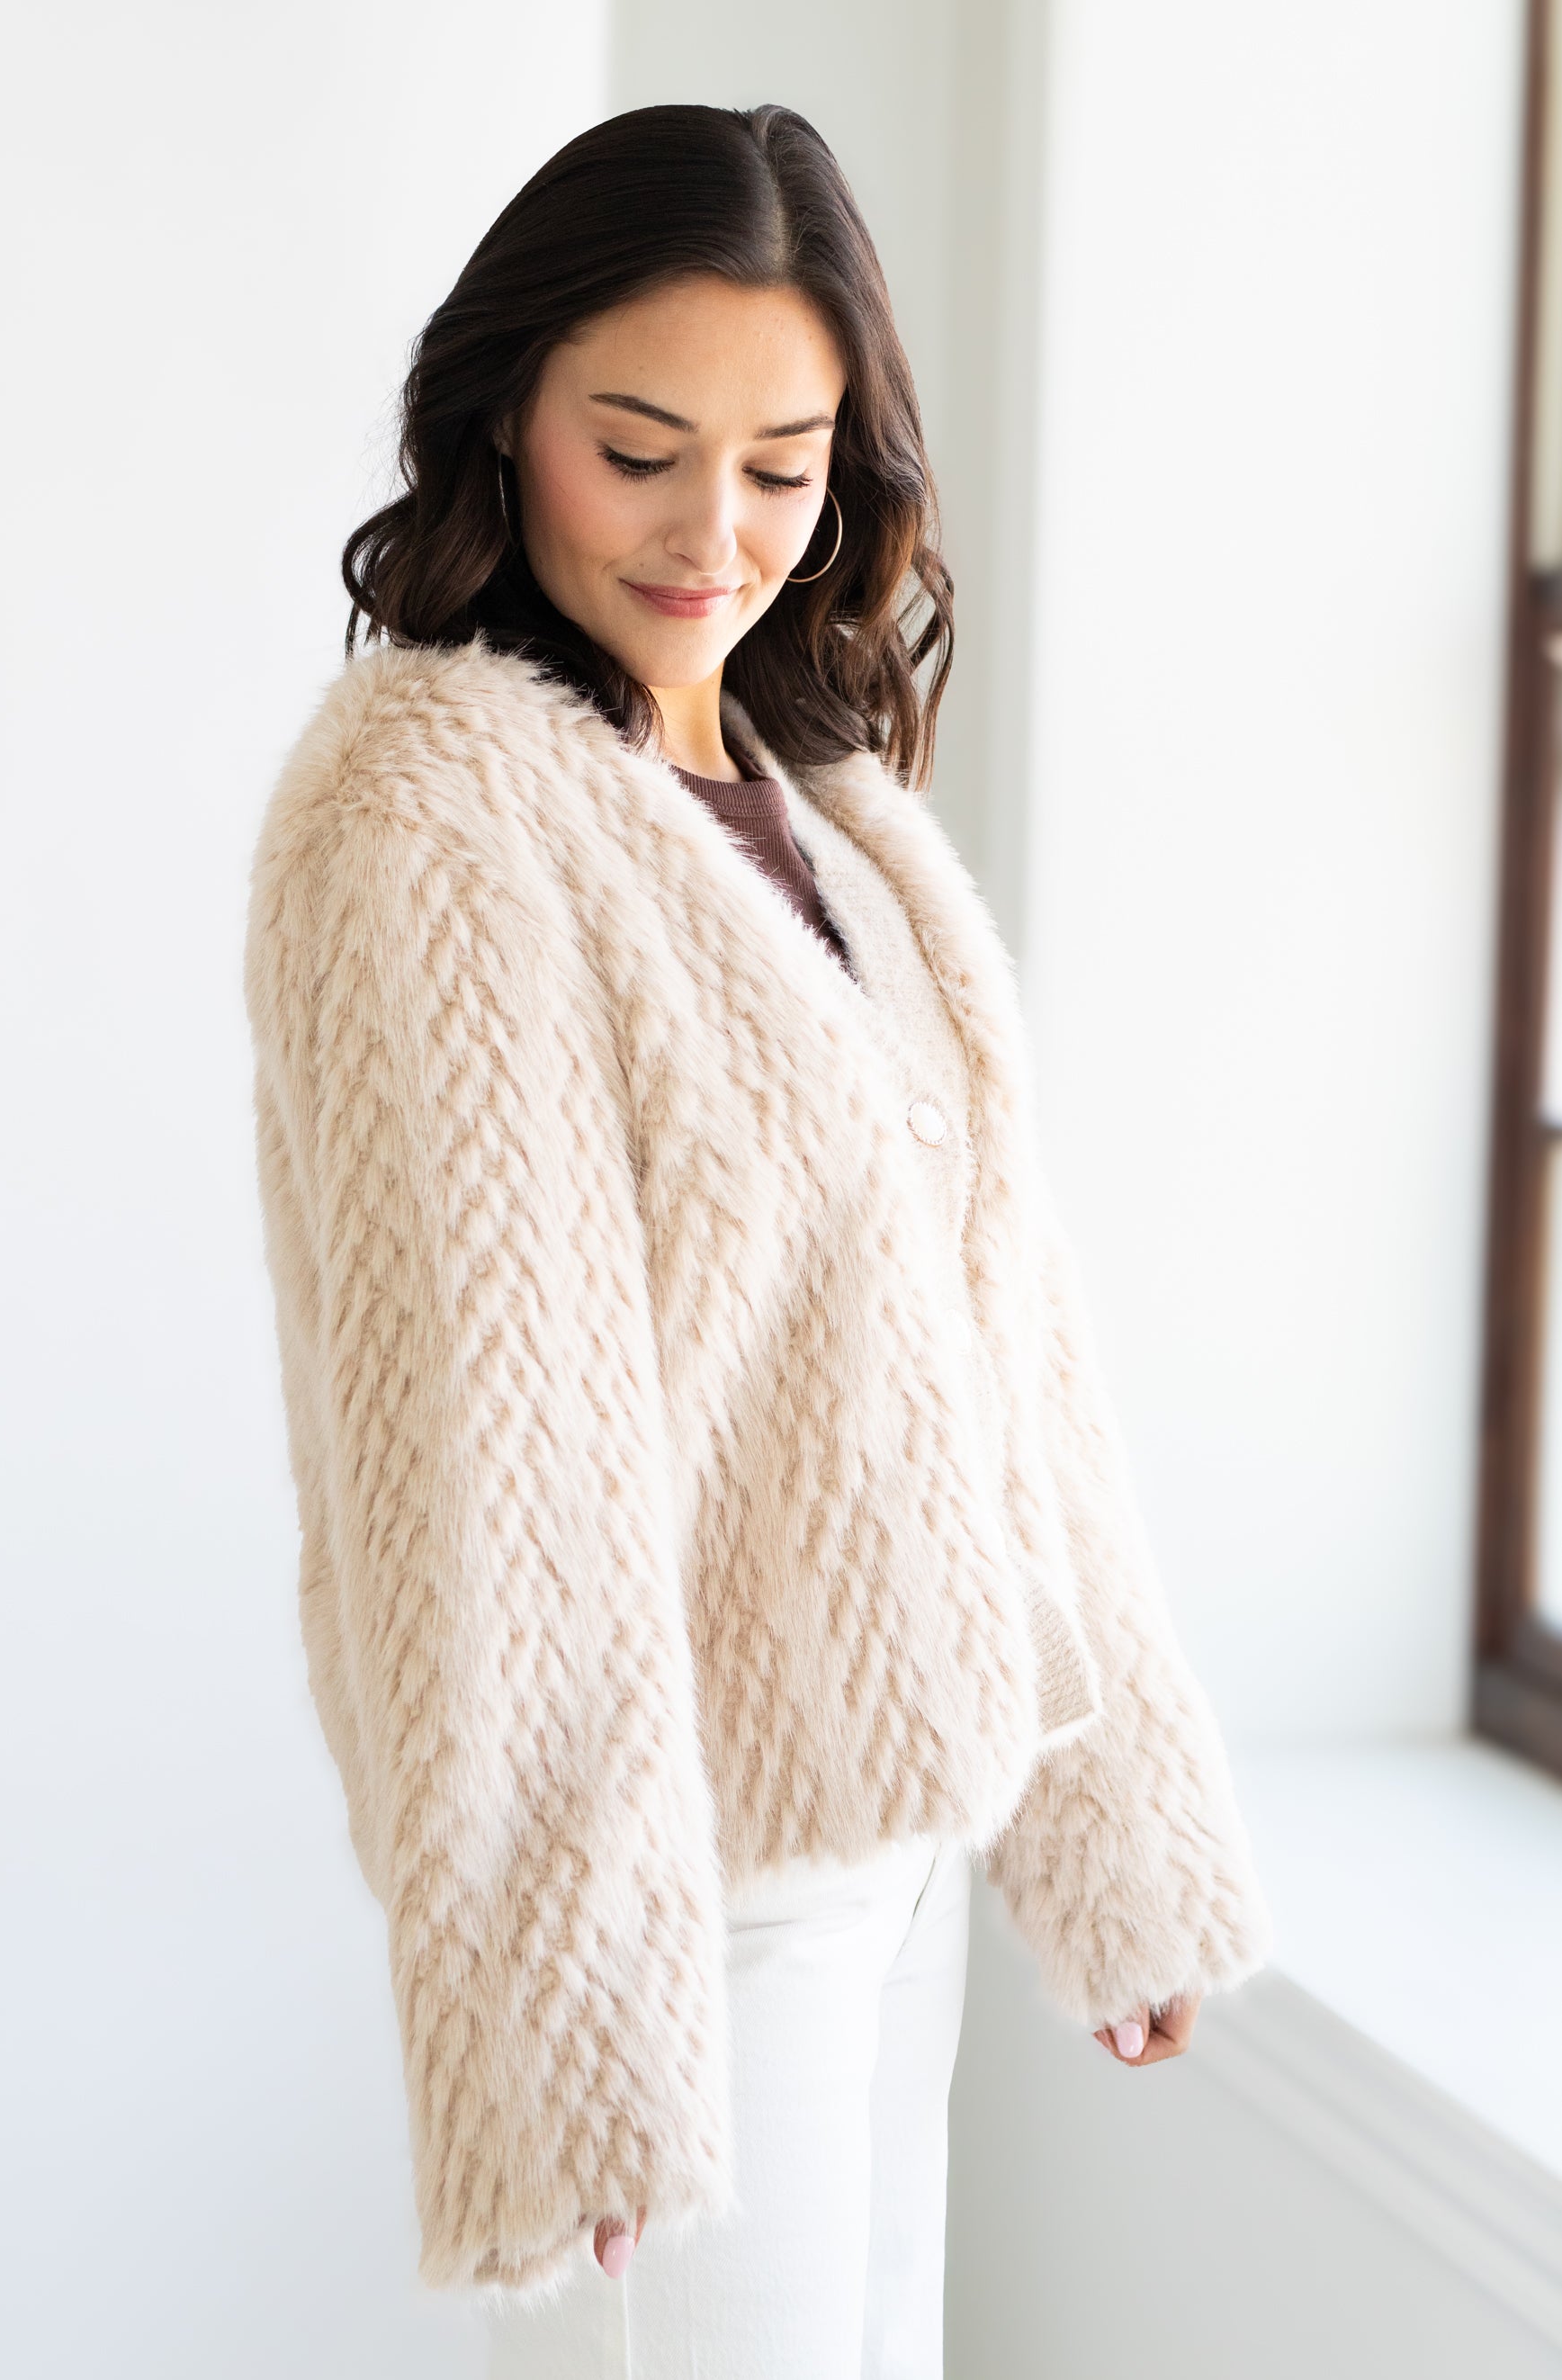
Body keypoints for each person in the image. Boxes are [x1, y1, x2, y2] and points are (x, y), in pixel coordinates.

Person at [243, 100, 1272, 2380]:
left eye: (786, 464)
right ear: (504, 413)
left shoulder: (842, 822)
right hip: (680, 1908)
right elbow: (486, 1474)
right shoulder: (434, 811)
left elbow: (1012, 1353)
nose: (718, 530)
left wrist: (1114, 1833)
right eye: (641, 447)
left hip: (894, 1857)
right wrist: (564, 2015)